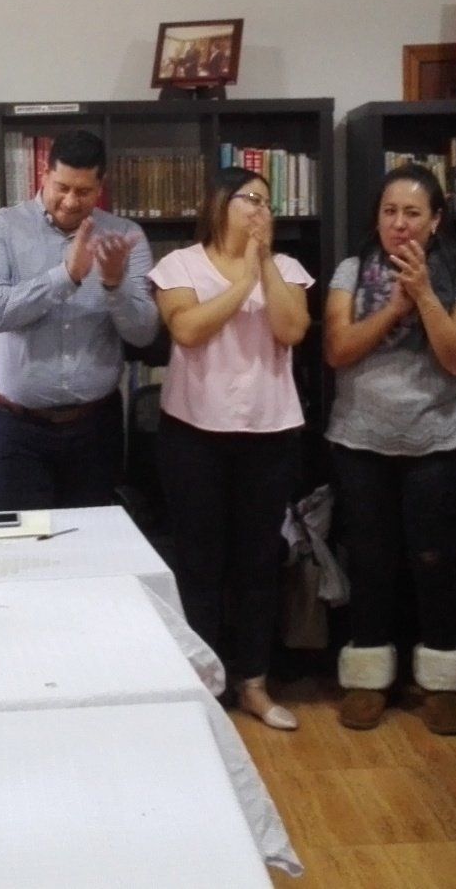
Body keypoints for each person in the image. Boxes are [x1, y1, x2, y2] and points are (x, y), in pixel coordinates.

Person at [324, 164, 456, 735]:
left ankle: (442, 682)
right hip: (359, 439)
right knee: (369, 561)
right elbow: (338, 349)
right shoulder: (351, 271)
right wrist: (392, 308)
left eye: (413, 213)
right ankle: (369, 677)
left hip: (435, 442)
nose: (399, 224)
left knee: (433, 562)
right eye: (390, 212)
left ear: (436, 221)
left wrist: (421, 296)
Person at [149, 168, 312, 730]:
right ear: (219, 204)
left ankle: (254, 682)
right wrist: (242, 283)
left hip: (268, 434)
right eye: (249, 199)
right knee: (198, 560)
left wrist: (263, 264)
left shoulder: (286, 268)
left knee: (257, 562)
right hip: (193, 434)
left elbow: (292, 330)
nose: (258, 210)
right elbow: (188, 330)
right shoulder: (180, 265)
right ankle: (203, 682)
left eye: (266, 202)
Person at [0, 129, 157, 509]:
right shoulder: (1, 228)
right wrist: (65, 277)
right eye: (62, 187)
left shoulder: (124, 236)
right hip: (16, 427)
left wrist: (115, 283)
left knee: (91, 553)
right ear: (44, 174)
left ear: (101, 185)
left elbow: (144, 334)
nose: (70, 201)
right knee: (16, 549)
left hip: (94, 428)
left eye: (83, 191)